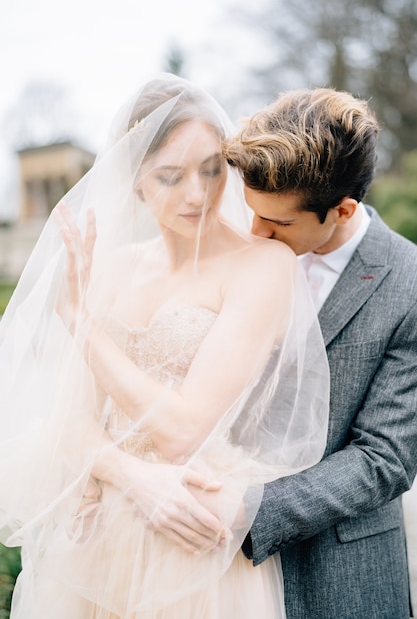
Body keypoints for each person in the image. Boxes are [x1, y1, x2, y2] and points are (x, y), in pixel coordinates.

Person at [0, 75, 330, 618]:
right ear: (134, 181)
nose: (198, 194)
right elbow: (71, 418)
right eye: (170, 177)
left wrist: (81, 324)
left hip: (191, 535)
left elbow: (182, 430)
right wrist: (129, 476)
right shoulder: (116, 265)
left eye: (211, 168)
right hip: (102, 529)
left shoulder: (262, 266)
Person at [222, 87, 417, 618]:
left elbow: (386, 457)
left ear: (342, 208)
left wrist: (244, 513)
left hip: (343, 577)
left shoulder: (409, 283)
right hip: (213, 575)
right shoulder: (233, 257)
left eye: (278, 224)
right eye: (253, 212)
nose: (255, 233)